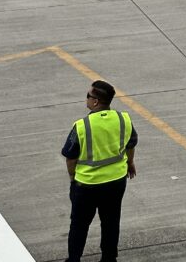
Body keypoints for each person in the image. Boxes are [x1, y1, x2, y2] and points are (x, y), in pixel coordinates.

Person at [61, 80, 137, 262]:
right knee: (111, 222)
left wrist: (73, 178)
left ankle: (74, 259)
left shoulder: (82, 125)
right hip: (116, 182)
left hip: (87, 185)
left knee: (79, 225)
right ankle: (109, 258)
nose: (86, 98)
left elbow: (70, 157)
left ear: (95, 101)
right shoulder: (123, 118)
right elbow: (131, 143)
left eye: (88, 95)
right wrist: (130, 163)